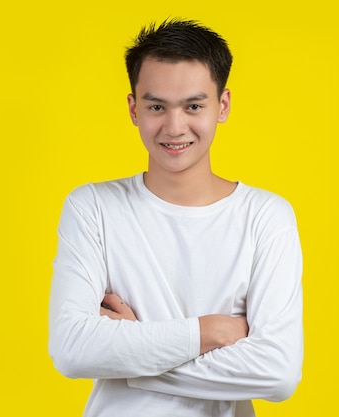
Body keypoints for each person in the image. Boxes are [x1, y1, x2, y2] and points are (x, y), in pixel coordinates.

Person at [48, 19, 303, 417]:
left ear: (223, 106)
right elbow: (72, 349)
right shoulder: (93, 207)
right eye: (156, 107)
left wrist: (129, 352)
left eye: (194, 106)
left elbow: (278, 373)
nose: (174, 127)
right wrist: (208, 332)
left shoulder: (266, 217)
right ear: (134, 109)